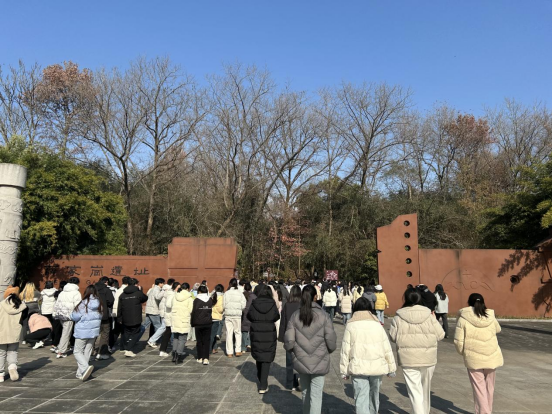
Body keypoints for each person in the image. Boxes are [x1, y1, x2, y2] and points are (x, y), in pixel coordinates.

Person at [390, 289, 445, 414]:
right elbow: (441, 335)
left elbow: (393, 337)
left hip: (408, 359)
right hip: (428, 358)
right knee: (425, 389)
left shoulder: (398, 316)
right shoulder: (429, 315)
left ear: (405, 298)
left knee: (415, 392)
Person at [284, 285, 337, 415]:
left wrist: (293, 351)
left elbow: (289, 341)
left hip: (301, 359)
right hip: (320, 359)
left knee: (305, 392)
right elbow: (331, 340)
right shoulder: (324, 315)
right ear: (315, 297)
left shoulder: (295, 315)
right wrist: (328, 350)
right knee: (316, 394)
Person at [340, 297, 397, 415]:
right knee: (374, 395)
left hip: (358, 367)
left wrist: (344, 371)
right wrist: (391, 368)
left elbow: (345, 350)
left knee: (361, 397)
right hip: (377, 366)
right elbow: (386, 347)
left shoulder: (351, 325)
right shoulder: (377, 324)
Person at [455, 294, 504, 415]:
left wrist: (464, 352)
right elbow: (498, 329)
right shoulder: (490, 316)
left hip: (474, 359)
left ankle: (484, 412)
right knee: (489, 388)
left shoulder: (463, 318)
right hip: (492, 356)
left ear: (469, 302)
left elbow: (458, 341)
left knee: (479, 389)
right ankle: (487, 411)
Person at [247, 285, 280, 394]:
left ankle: (260, 377)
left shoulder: (254, 302)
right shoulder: (272, 303)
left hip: (256, 331)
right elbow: (276, 316)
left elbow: (249, 315)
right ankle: (263, 384)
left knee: (259, 353)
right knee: (266, 357)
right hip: (269, 332)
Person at [71, 285, 103, 382]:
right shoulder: (99, 303)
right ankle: (80, 373)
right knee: (87, 351)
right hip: (93, 331)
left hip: (82, 331)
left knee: (77, 351)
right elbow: (101, 316)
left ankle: (85, 368)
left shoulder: (83, 304)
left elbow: (74, 316)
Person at [0, 287, 27, 382]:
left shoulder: (1, 304)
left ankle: (0, 374)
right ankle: (12, 367)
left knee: (1, 353)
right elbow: (24, 320)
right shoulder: (22, 306)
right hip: (15, 332)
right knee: (12, 351)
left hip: (1, 332)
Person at [117, 278, 148, 358]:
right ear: (136, 284)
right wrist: (140, 290)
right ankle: (129, 349)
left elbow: (119, 307)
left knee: (127, 333)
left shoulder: (123, 294)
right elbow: (145, 298)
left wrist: (119, 318)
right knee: (135, 333)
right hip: (135, 317)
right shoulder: (138, 293)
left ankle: (125, 347)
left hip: (125, 317)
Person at [279, 285, 302, 391]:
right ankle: (300, 382)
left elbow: (283, 322)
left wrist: (281, 337)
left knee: (289, 362)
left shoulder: (287, 305)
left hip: (289, 336)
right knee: (300, 361)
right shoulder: (302, 305)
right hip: (301, 337)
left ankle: (289, 384)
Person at [53, 277, 82, 359]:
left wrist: (55, 313)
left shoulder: (62, 292)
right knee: (66, 333)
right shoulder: (76, 293)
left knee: (64, 332)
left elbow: (57, 303)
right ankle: (61, 351)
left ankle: (60, 347)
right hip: (69, 315)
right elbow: (78, 306)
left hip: (60, 314)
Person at [223, 278, 247, 358]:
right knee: (238, 332)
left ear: (230, 284)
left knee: (229, 333)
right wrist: (239, 309)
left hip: (228, 315)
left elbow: (223, 304)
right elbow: (243, 304)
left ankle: (229, 352)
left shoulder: (226, 293)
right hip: (237, 315)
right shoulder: (240, 293)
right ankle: (238, 350)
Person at [191, 285, 214, 365]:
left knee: (199, 340)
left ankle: (200, 357)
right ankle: (206, 358)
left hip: (198, 323)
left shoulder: (196, 300)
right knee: (206, 341)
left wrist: (192, 323)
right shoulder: (210, 299)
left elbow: (194, 312)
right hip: (208, 322)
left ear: (199, 291)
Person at [171, 283, 194, 364]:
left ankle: (174, 355)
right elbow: (190, 310)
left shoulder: (175, 296)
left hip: (175, 319)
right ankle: (179, 356)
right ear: (188, 289)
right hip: (184, 320)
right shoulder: (189, 298)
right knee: (182, 339)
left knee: (175, 337)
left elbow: (172, 305)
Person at [93, 277, 115, 360]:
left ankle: (90, 352)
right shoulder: (106, 290)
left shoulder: (92, 289)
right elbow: (110, 301)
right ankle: (102, 353)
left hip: (92, 316)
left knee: (93, 334)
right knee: (104, 334)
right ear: (106, 282)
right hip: (103, 315)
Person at [159, 281, 180, 357]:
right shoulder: (171, 294)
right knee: (168, 333)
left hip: (171, 315)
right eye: (178, 288)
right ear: (175, 287)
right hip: (170, 315)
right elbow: (168, 304)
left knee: (168, 332)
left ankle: (164, 349)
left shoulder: (172, 293)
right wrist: (176, 305)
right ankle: (163, 350)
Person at [144, 278, 166, 348]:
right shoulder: (157, 289)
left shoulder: (152, 289)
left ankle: (134, 339)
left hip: (149, 310)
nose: (163, 284)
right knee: (158, 326)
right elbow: (157, 297)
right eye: (163, 283)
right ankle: (155, 341)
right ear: (160, 283)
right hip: (154, 311)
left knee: (144, 326)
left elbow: (147, 294)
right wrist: (164, 291)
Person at [111, 276, 130, 352]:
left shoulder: (118, 290)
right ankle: (123, 345)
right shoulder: (126, 290)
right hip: (122, 312)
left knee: (117, 329)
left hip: (115, 311)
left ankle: (111, 343)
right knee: (124, 330)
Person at [50, 281, 67, 353]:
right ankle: (59, 345)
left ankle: (54, 344)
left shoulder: (57, 293)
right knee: (63, 330)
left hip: (56, 312)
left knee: (56, 329)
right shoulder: (65, 294)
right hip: (64, 313)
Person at [241, 283, 256, 353]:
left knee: (244, 331)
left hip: (243, 314)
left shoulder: (241, 295)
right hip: (252, 314)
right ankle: (249, 344)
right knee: (250, 330)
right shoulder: (254, 296)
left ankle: (243, 347)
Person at [210, 284, 225, 355]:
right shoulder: (222, 297)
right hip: (217, 317)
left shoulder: (212, 295)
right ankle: (212, 348)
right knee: (213, 334)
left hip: (210, 316)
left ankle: (214, 348)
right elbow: (221, 309)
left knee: (212, 333)